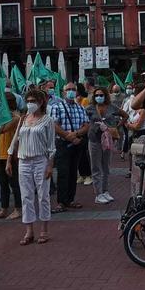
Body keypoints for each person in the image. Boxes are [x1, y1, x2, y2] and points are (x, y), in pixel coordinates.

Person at [7, 88, 55, 245]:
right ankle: (29, 231)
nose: (30, 104)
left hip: (41, 160)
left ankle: (44, 230)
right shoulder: (23, 119)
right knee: (26, 196)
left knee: (43, 195)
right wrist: (9, 159)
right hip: (23, 161)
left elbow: (51, 146)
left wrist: (50, 165)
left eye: (33, 101)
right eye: (28, 101)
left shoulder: (47, 120)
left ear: (41, 102)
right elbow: (15, 140)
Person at [50, 82, 90, 211]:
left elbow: (86, 125)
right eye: (68, 89)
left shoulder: (80, 108)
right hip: (63, 143)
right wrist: (68, 136)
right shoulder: (57, 107)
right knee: (63, 172)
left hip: (77, 143)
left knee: (73, 172)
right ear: (63, 92)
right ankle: (61, 201)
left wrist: (76, 134)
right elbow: (54, 125)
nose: (71, 91)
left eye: (73, 89)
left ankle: (70, 199)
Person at [87, 86, 122, 204]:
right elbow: (84, 121)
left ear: (105, 96)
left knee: (106, 166)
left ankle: (105, 190)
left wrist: (115, 127)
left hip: (108, 140)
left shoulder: (112, 107)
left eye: (101, 95)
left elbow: (125, 115)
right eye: (97, 95)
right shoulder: (90, 108)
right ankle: (98, 193)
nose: (99, 97)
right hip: (94, 140)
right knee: (96, 167)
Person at [0, 93, 22, 220]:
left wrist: (0, 120)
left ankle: (18, 208)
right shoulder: (1, 117)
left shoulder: (16, 117)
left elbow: (0, 130)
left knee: (14, 183)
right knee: (3, 183)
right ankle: (4, 208)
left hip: (12, 154)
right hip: (1, 153)